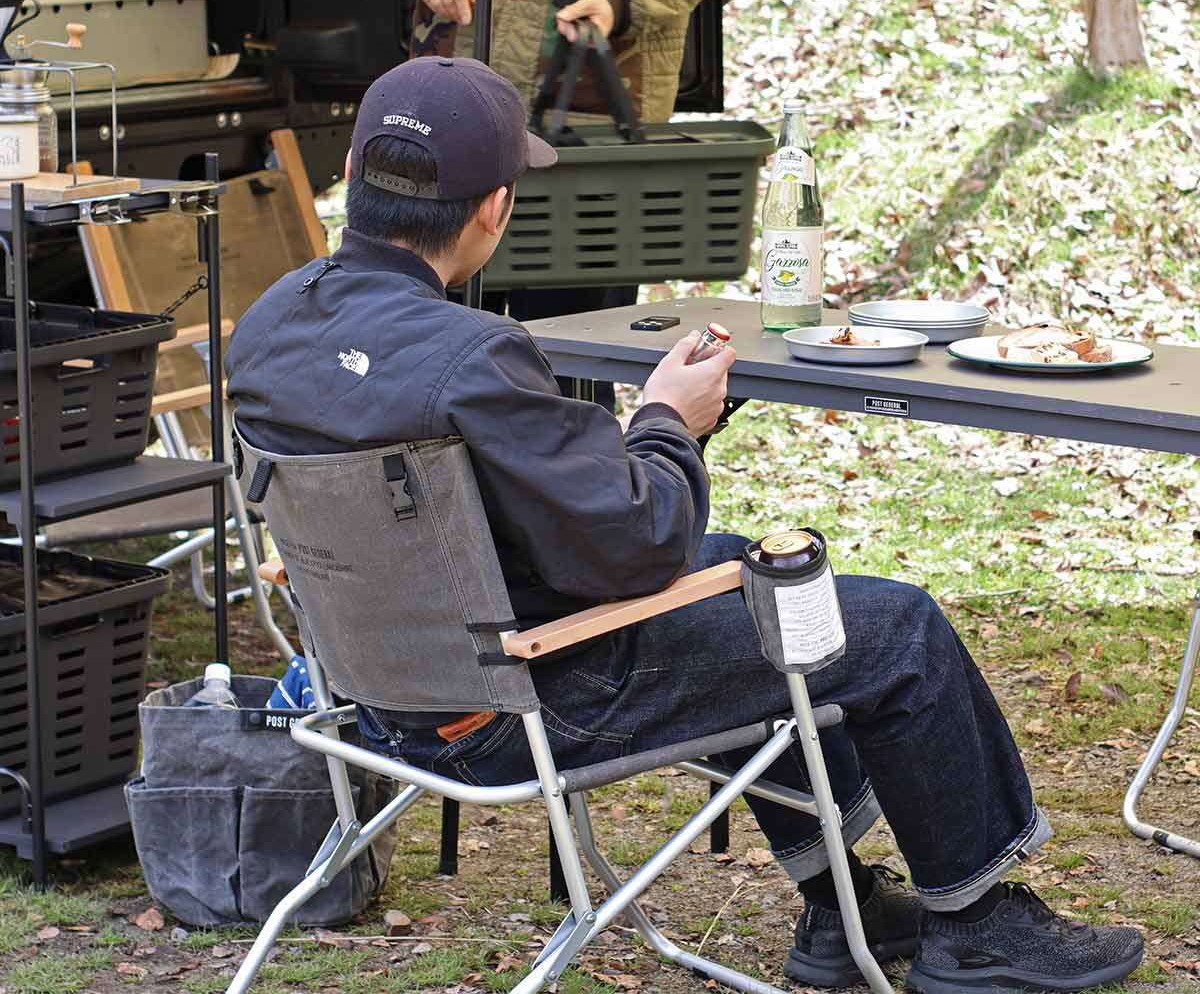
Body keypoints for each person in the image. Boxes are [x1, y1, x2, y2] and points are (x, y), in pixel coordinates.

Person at [227, 58, 1145, 994]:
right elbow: (640, 546)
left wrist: (625, 444)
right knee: (895, 626)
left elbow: (533, 517)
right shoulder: (474, 357)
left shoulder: (267, 327)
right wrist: (668, 422)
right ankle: (979, 925)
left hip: (378, 694)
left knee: (763, 583)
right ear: (495, 207)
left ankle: (843, 909)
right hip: (523, 699)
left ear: (354, 168)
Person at [362, 0, 749, 406]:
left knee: (570, 360)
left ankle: (573, 491)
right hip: (459, 102)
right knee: (434, 347)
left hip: (589, 115)